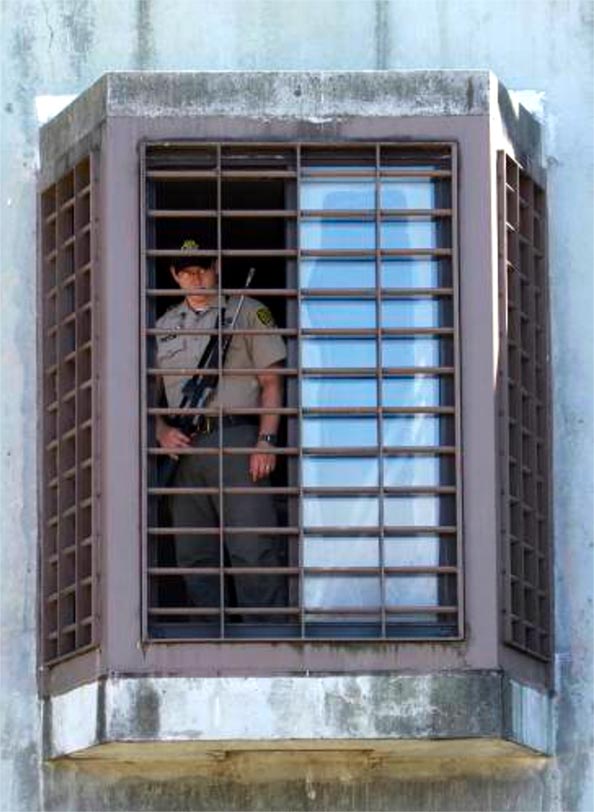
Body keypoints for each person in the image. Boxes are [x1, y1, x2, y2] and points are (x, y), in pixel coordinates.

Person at [154, 240, 287, 622]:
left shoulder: (245, 312)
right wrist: (161, 432)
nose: (195, 278)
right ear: (175, 276)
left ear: (216, 267)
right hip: (185, 451)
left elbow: (272, 382)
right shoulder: (163, 327)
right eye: (186, 271)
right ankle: (206, 640)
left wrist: (266, 440)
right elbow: (148, 397)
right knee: (194, 554)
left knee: (252, 547)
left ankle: (268, 640)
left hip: (237, 440)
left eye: (202, 268)